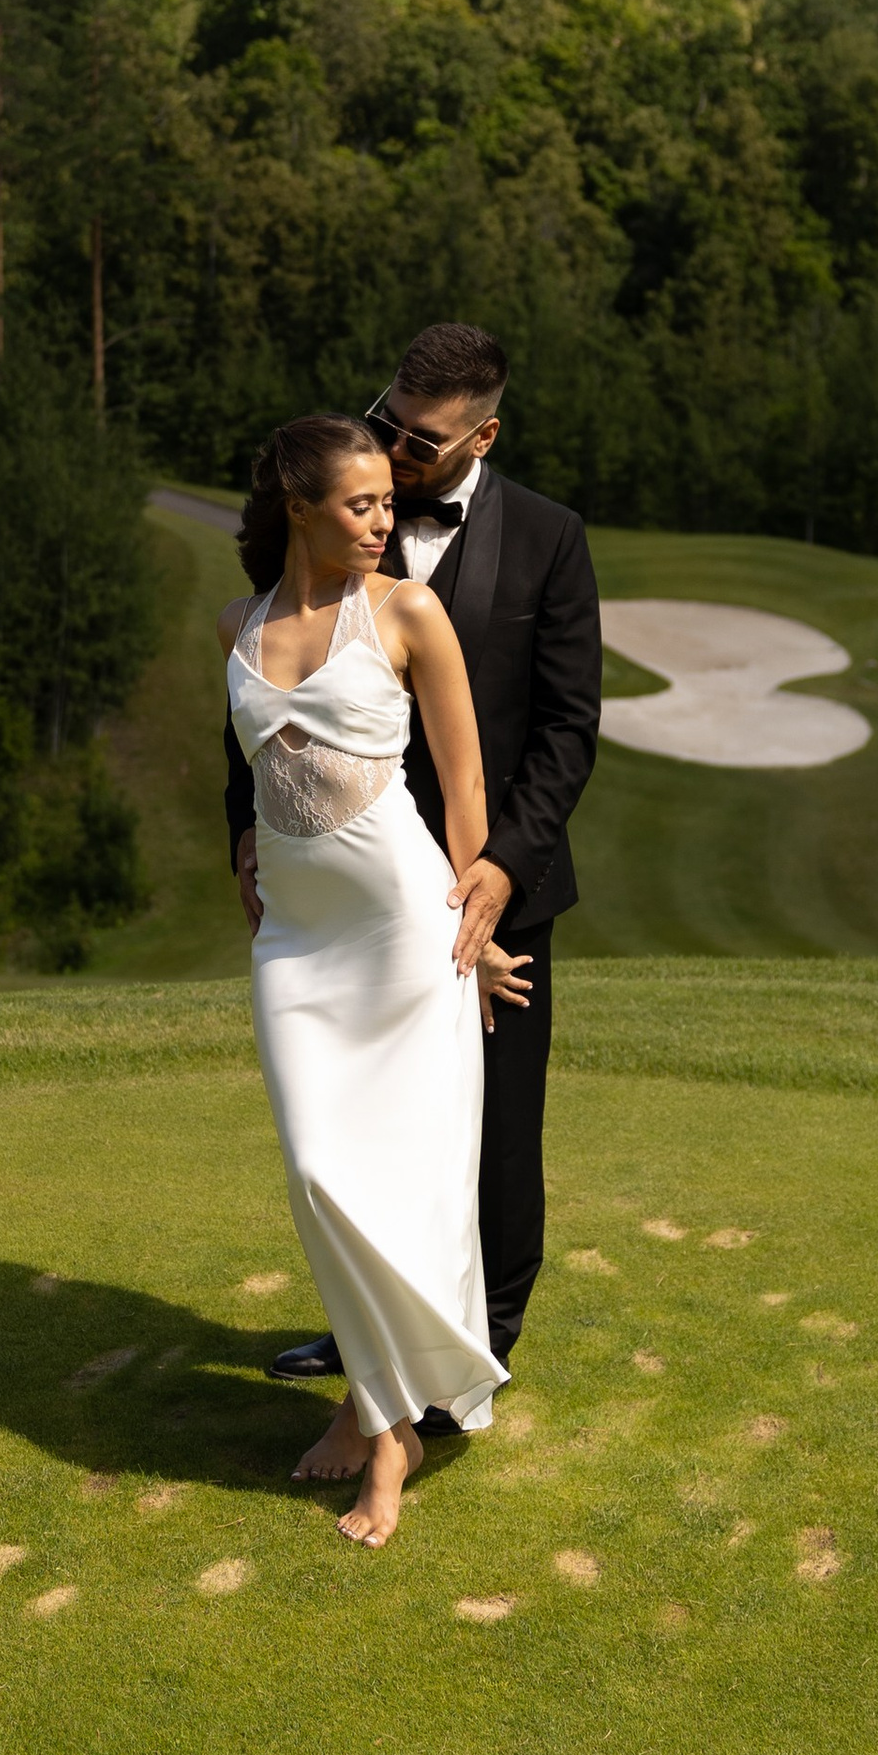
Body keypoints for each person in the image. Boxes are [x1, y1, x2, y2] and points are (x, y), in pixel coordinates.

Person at [227, 320, 602, 1421]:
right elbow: (260, 678)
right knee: (354, 1129)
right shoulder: (340, 501)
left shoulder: (549, 539)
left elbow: (569, 732)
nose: (393, 455)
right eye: (386, 420)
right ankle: (371, 1345)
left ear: (483, 434)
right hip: (337, 884)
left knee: (490, 1140)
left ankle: (472, 1358)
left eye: (422, 442)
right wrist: (248, 826)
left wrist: (500, 874)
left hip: (480, 888)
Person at [222, 412, 535, 1546]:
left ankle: (384, 1428)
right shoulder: (237, 624)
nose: (379, 524)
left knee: (406, 1185)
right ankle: (377, 1400)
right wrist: (252, 844)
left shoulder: (408, 611)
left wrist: (479, 923)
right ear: (301, 507)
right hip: (296, 949)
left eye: (387, 506)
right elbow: (263, 773)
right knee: (317, 1172)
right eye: (358, 506)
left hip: (407, 936)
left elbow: (463, 795)